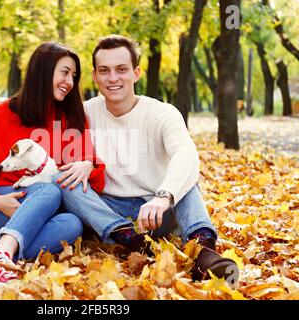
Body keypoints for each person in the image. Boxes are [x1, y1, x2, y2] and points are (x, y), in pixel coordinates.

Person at [55, 35, 239, 285]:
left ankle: (204, 250)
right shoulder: (84, 112)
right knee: (65, 181)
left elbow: (186, 154)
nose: (113, 78)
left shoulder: (162, 113)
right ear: (95, 76)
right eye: (104, 71)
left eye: (121, 69)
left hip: (156, 211)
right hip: (108, 212)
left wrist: (163, 196)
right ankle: (130, 240)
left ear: (136, 73)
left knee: (185, 179)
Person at [0, 42, 105, 290]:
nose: (70, 81)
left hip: (43, 219)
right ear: (42, 71)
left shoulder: (72, 120)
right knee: (49, 190)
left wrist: (89, 165)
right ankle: (1, 255)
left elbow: (92, 175)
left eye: (74, 76)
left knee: (72, 225)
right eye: (64, 72)